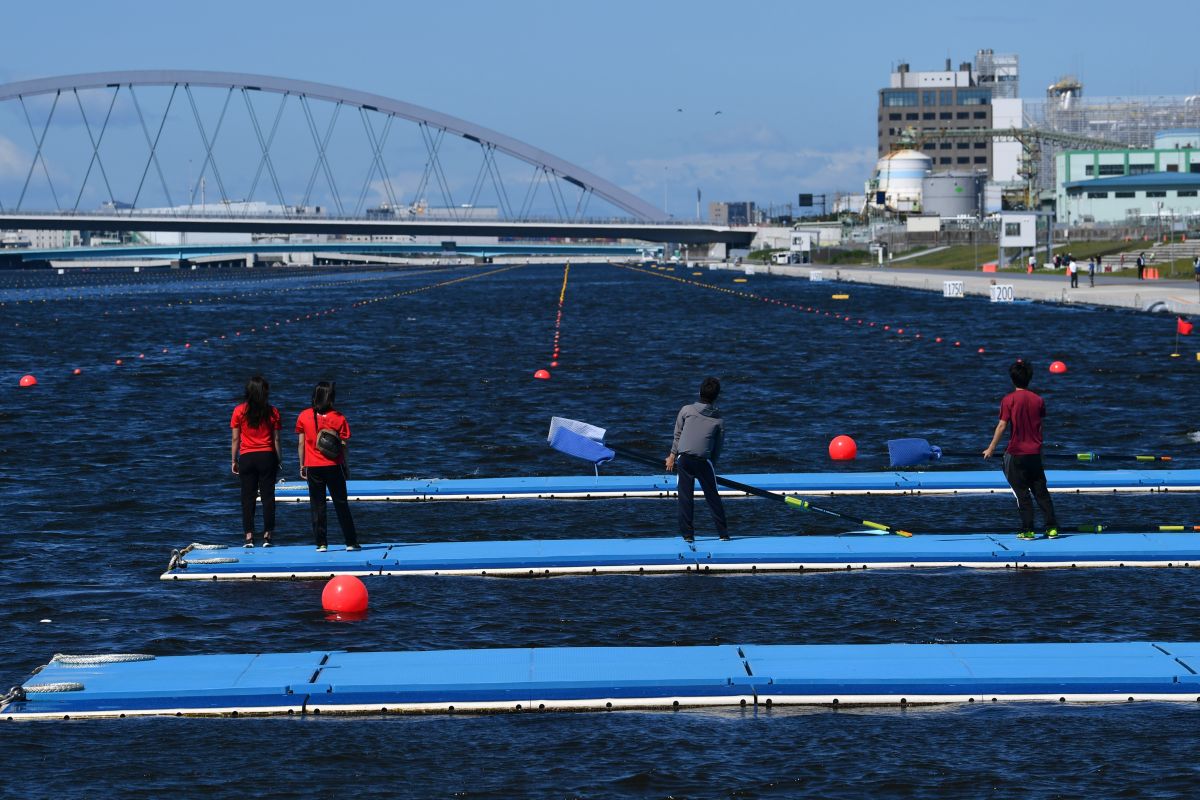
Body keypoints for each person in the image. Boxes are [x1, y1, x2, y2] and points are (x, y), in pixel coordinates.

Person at [982, 360, 1059, 540]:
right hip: (1035, 453)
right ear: (1029, 379)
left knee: (1022, 493)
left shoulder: (1008, 400)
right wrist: (1041, 449)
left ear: (1012, 379)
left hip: (1016, 453)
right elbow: (1040, 427)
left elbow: (1002, 426)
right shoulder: (1038, 400)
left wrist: (991, 448)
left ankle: (1028, 530)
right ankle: (1052, 528)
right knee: (1041, 492)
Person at [297, 381, 359, 552]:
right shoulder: (338, 417)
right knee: (341, 503)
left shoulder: (304, 416)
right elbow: (344, 445)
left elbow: (301, 443)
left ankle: (321, 543)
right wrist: (346, 466)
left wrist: (302, 464)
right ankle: (351, 542)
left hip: (313, 467)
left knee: (317, 505)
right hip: (333, 465)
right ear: (330, 398)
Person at [665, 376, 727, 543]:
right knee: (713, 497)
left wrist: (671, 457)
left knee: (685, 497)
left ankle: (688, 535)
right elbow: (717, 448)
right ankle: (723, 534)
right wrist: (711, 465)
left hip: (684, 460)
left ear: (699, 392)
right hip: (704, 462)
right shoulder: (719, 420)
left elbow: (677, 436)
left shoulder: (686, 410)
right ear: (716, 397)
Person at [231, 376, 283, 547]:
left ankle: (249, 536)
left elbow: (235, 439)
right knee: (268, 497)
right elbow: (276, 440)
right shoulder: (272, 411)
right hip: (267, 456)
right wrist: (279, 459)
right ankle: (267, 535)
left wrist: (234, 459)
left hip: (247, 457)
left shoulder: (239, 411)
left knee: (247, 498)